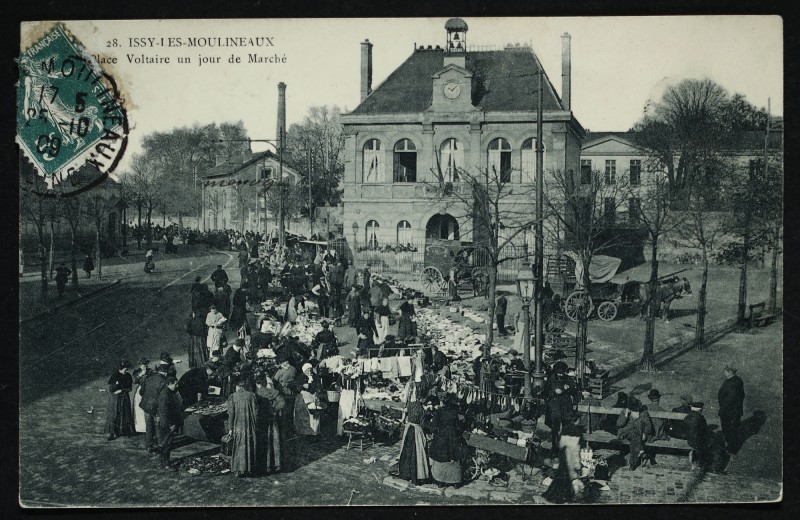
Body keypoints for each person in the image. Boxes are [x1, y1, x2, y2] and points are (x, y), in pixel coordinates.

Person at [397, 377, 432, 485]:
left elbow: (409, 414)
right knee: (417, 454)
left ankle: (406, 473)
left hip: (409, 429)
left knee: (407, 451)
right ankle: (416, 476)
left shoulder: (411, 404)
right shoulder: (420, 409)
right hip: (416, 431)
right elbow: (423, 424)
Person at [541, 422, 585, 504]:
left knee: (560, 478)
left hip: (563, 458)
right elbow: (575, 453)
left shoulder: (564, 431)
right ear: (578, 420)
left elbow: (560, 446)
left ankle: (553, 496)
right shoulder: (577, 434)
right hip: (570, 460)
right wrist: (578, 466)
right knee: (565, 480)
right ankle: (562, 498)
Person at [428, 394, 464, 488]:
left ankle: (441, 481)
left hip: (442, 438)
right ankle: (455, 481)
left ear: (443, 402)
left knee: (441, 458)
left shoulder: (439, 412)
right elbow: (458, 426)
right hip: (453, 437)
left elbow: (433, 427)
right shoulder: (455, 412)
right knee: (454, 458)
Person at [227, 377, 259, 478]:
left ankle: (238, 469)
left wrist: (230, 428)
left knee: (238, 446)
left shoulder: (233, 396)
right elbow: (256, 412)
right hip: (250, 425)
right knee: (250, 445)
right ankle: (249, 469)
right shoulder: (252, 396)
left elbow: (231, 414)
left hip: (238, 425)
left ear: (237, 386)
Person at [255, 375, 285, 475]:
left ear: (258, 384)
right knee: (276, 441)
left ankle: (266, 465)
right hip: (273, 420)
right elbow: (282, 403)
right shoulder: (274, 392)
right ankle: (278, 464)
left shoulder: (257, 394)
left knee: (265, 442)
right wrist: (274, 410)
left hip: (263, 421)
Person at [139, 362, 169, 452]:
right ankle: (160, 446)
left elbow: (141, 392)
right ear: (165, 373)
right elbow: (162, 399)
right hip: (155, 407)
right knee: (158, 427)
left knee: (148, 425)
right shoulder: (164, 382)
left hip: (146, 405)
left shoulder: (149, 378)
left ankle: (149, 445)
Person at [615, 398, 653, 470]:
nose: (637, 412)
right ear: (630, 409)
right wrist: (626, 415)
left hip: (637, 435)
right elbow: (619, 424)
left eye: (637, 410)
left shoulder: (644, 413)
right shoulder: (624, 412)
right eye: (634, 411)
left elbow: (649, 426)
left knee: (634, 441)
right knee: (636, 437)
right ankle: (640, 451)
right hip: (625, 433)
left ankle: (632, 464)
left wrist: (645, 433)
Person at [157, 376, 184, 469]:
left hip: (165, 423)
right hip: (165, 424)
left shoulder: (168, 392)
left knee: (166, 443)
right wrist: (170, 425)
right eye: (175, 384)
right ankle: (165, 464)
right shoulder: (165, 395)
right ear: (169, 384)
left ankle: (165, 462)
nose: (177, 386)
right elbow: (164, 412)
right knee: (166, 444)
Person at [718, 365, 745, 454]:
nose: (723, 372)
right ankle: (730, 445)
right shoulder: (737, 380)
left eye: (725, 371)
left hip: (729, 411)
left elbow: (731, 398)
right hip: (732, 410)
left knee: (730, 430)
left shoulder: (733, 383)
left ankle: (732, 448)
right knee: (730, 429)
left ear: (729, 372)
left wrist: (722, 409)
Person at [105, 360, 135, 440]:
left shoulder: (128, 375)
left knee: (125, 414)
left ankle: (126, 431)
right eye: (125, 368)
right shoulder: (115, 375)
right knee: (115, 414)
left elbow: (130, 388)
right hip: (116, 399)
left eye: (127, 368)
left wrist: (122, 390)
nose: (127, 370)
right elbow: (111, 389)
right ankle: (112, 433)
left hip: (124, 397)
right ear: (121, 368)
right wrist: (116, 385)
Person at [274, 355, 298, 440]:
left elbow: (275, 380)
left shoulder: (281, 371)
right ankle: (290, 431)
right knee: (289, 413)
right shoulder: (293, 368)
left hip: (285, 393)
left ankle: (286, 432)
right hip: (290, 393)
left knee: (285, 413)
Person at [296, 363, 322, 436]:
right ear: (304, 371)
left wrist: (308, 386)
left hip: (313, 398)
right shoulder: (301, 377)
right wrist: (303, 386)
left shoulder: (315, 377)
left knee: (314, 416)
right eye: (307, 370)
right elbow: (298, 387)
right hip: (303, 399)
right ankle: (304, 433)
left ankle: (314, 433)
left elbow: (313, 389)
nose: (309, 372)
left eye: (310, 370)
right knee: (304, 416)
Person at [131, 357, 151, 435]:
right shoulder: (136, 371)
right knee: (139, 409)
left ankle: (147, 428)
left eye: (145, 365)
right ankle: (139, 428)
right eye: (143, 366)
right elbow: (134, 381)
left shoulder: (150, 371)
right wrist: (140, 374)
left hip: (147, 390)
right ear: (140, 365)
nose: (144, 367)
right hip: (139, 391)